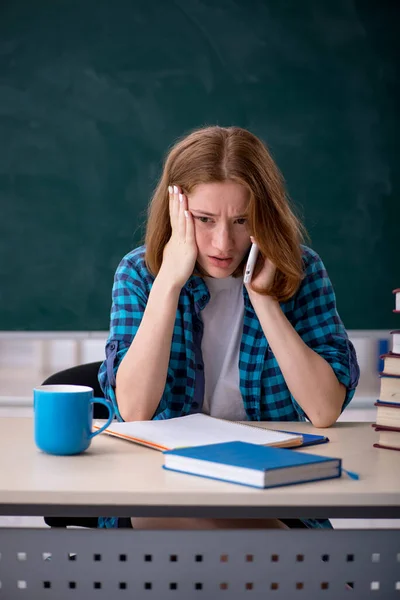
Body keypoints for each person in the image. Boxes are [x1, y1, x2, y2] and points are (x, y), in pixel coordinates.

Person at [98, 126, 360, 530]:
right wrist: (168, 282)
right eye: (204, 219)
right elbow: (134, 411)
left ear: (264, 214)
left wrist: (265, 301)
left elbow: (323, 410)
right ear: (176, 212)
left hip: (273, 497)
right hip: (159, 494)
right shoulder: (140, 273)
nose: (223, 243)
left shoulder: (302, 271)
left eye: (241, 220)